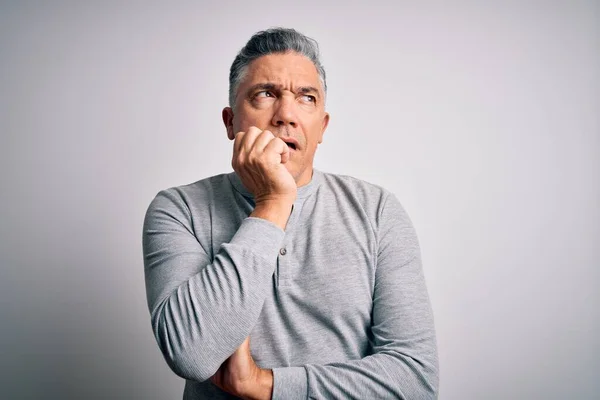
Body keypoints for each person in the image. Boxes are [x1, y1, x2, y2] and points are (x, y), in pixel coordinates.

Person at [142, 27, 439, 399]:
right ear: (230, 122)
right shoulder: (178, 209)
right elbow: (191, 355)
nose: (285, 115)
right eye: (265, 94)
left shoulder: (378, 211)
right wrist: (273, 202)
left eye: (305, 97)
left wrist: (266, 385)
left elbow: (416, 380)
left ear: (322, 127)